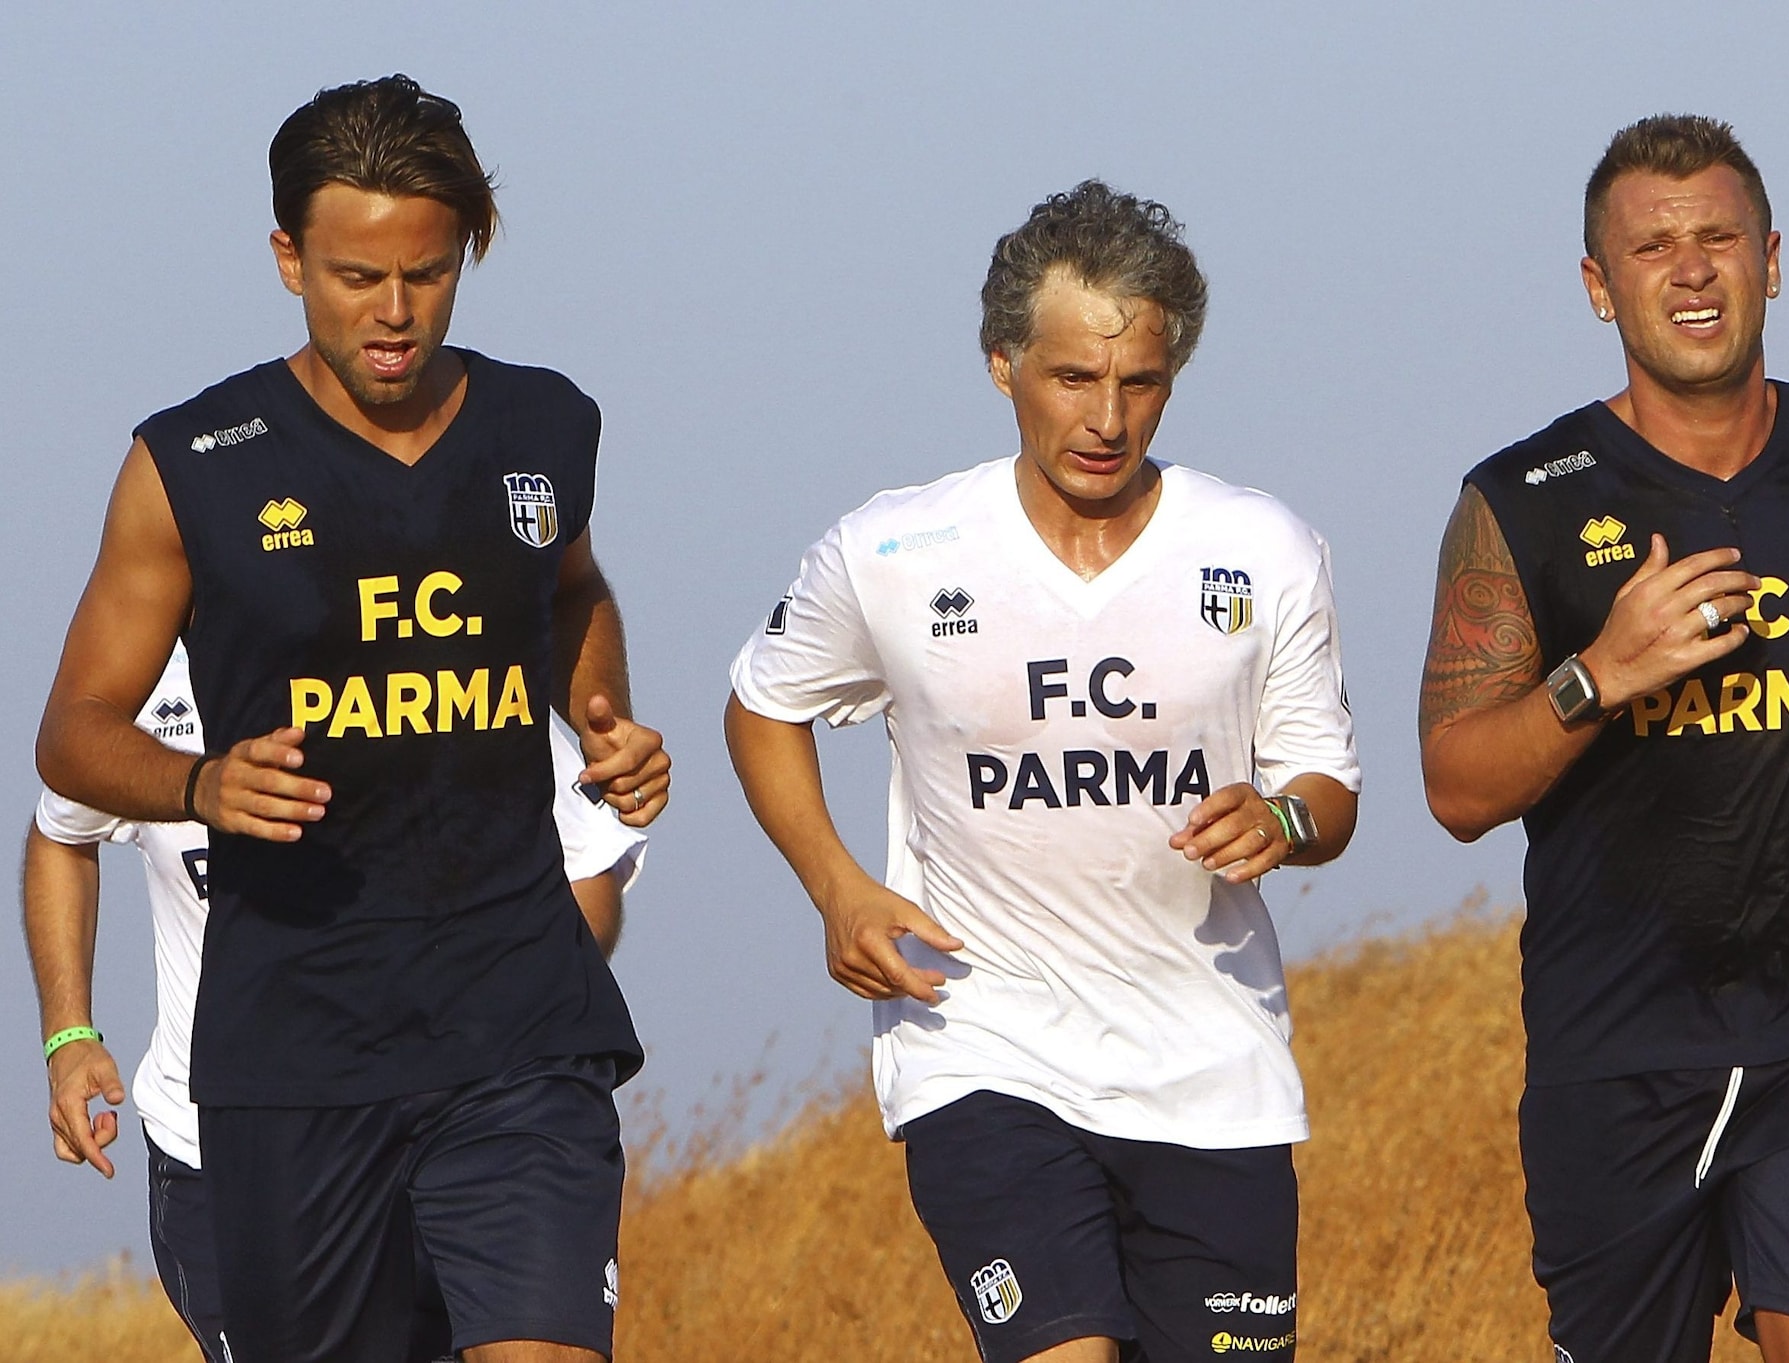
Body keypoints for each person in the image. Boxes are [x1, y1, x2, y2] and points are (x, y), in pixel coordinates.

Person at [33, 75, 668, 1363]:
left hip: (519, 1027)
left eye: (426, 275)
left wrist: (603, 713)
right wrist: (198, 784)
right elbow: (73, 731)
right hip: (293, 1054)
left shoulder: (544, 424)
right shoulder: (190, 463)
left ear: (466, 251)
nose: (394, 312)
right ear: (289, 260)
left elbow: (572, 589)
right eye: (357, 276)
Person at [726, 180, 1359, 1363]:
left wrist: (1280, 817)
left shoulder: (1260, 548)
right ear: (1001, 364)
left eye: (1139, 382)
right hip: (984, 1049)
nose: (1106, 418)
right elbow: (764, 704)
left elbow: (1325, 786)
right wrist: (837, 887)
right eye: (1072, 378)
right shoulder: (894, 550)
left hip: (1211, 1067)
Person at [1418, 114, 1789, 1363]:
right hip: (1614, 1050)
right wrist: (1600, 673)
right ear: (1597, 284)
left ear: (1769, 260)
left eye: (1717, 238)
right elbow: (1453, 784)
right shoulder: (1522, 500)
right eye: (1651, 246)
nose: (1689, 270)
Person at [26, 646, 649, 1363]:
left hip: (461, 1117)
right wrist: (68, 1035)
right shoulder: (142, 689)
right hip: (232, 1151)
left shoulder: (435, 656)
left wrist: (505, 1009)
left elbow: (586, 861)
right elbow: (60, 835)